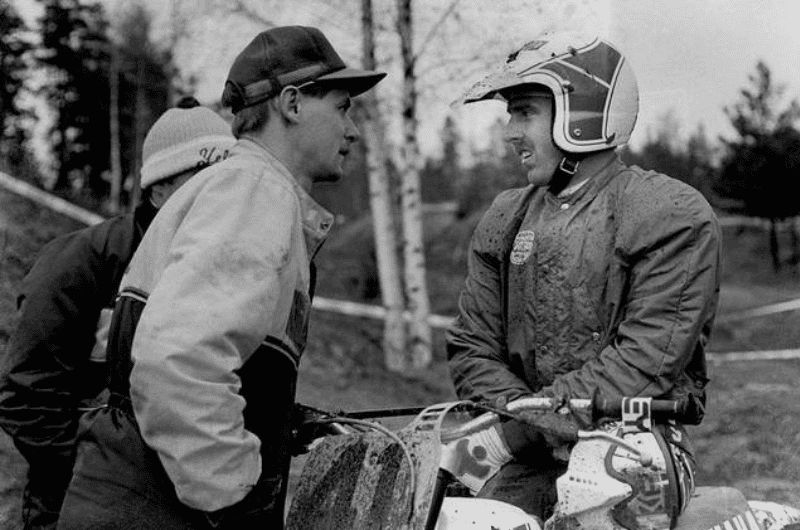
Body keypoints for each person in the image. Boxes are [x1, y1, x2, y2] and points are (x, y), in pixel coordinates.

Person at [56, 25, 386, 530]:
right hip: (161, 513)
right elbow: (176, 362)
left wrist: (272, 419)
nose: (353, 130)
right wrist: (234, 498)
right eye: (343, 108)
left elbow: (195, 352)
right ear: (292, 104)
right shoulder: (256, 191)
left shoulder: (235, 186)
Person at [446, 33, 721, 525]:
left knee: (602, 487)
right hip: (527, 448)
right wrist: (523, 419)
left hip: (632, 443)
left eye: (524, 113)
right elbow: (472, 347)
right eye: (511, 114)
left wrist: (521, 423)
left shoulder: (668, 213)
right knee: (452, 507)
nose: (510, 133)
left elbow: (645, 362)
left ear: (581, 113)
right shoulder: (505, 217)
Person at [0, 97, 235, 530]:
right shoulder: (79, 263)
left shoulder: (229, 275)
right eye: (203, 178)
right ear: (158, 189)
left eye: (229, 179)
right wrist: (104, 480)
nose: (221, 195)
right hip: (74, 511)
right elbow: (25, 399)